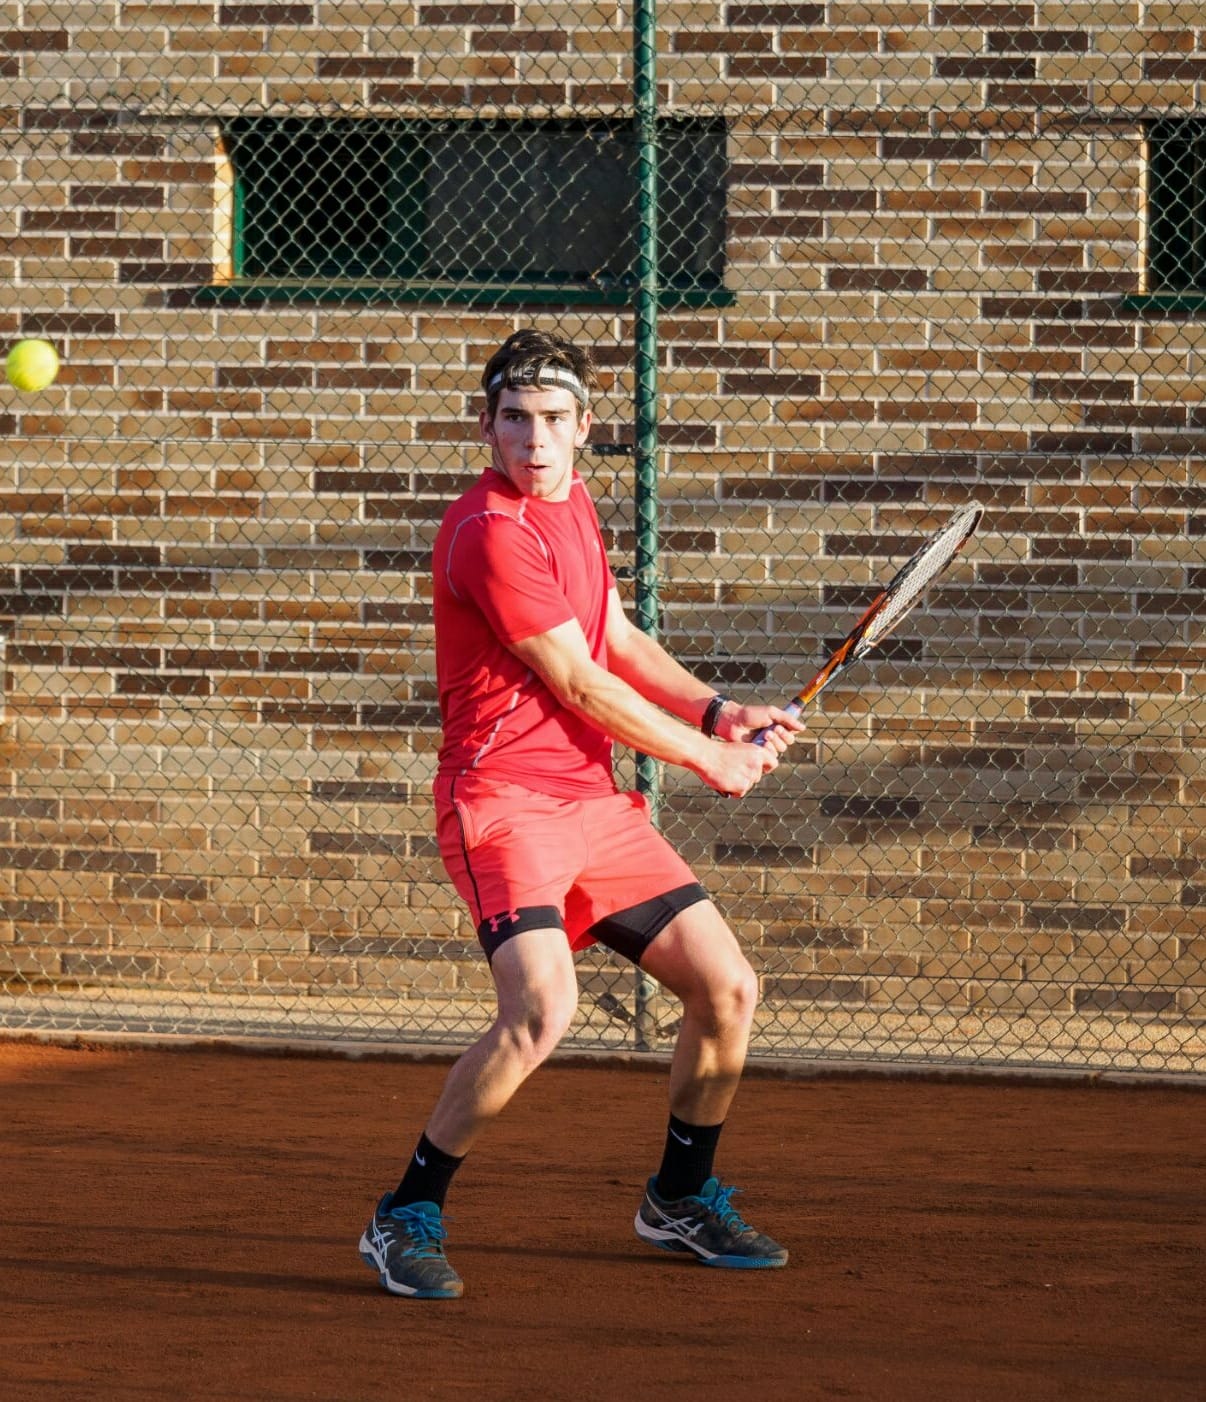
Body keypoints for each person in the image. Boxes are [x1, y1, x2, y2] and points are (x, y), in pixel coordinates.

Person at [358, 329, 803, 1299]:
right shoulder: (489, 531)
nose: (534, 440)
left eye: (554, 421)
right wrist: (706, 757)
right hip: (503, 808)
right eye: (514, 420)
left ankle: (679, 1196)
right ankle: (406, 1213)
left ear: (585, 429)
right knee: (539, 1011)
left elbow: (611, 631)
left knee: (728, 988)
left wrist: (718, 710)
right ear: (485, 427)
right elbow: (576, 676)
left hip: (593, 807)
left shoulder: (572, 505)